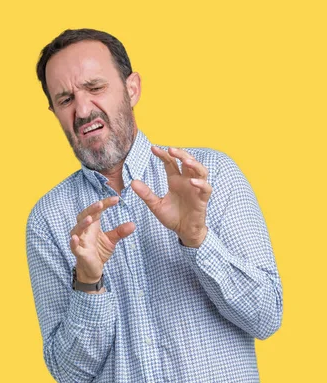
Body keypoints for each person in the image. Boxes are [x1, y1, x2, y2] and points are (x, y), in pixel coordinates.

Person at [26, 28, 283, 383]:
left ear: (132, 89)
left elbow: (266, 317)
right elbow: (69, 374)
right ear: (54, 111)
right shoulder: (49, 219)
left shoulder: (209, 176)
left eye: (95, 88)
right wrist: (88, 282)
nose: (82, 110)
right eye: (65, 99)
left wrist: (197, 239)